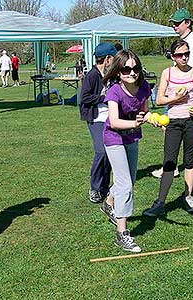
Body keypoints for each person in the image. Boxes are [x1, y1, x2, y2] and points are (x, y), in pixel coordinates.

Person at [143, 40, 193, 217]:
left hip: (192, 120)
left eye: (186, 54)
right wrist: (175, 97)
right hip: (173, 122)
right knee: (169, 162)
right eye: (179, 55)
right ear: (172, 56)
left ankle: (188, 198)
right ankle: (160, 202)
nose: (183, 57)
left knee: (190, 161)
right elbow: (159, 100)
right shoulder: (167, 73)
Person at [151, 8, 193, 180]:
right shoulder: (184, 41)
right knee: (169, 126)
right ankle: (172, 166)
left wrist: (183, 91)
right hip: (179, 94)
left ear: (188, 23)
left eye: (177, 23)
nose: (174, 26)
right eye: (173, 23)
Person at [102, 49, 154, 252]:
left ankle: (108, 202)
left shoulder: (144, 88)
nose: (132, 73)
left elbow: (146, 112)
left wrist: (154, 120)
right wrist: (135, 122)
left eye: (136, 68)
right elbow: (114, 122)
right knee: (126, 185)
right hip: (113, 137)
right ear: (118, 71)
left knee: (129, 181)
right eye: (126, 69)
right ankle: (122, 234)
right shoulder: (114, 91)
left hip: (132, 137)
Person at [80, 43, 117, 219]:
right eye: (113, 58)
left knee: (110, 152)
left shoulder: (111, 74)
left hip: (110, 118)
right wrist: (104, 97)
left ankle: (104, 188)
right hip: (96, 118)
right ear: (107, 58)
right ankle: (94, 188)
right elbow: (85, 97)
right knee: (101, 151)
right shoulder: (92, 75)